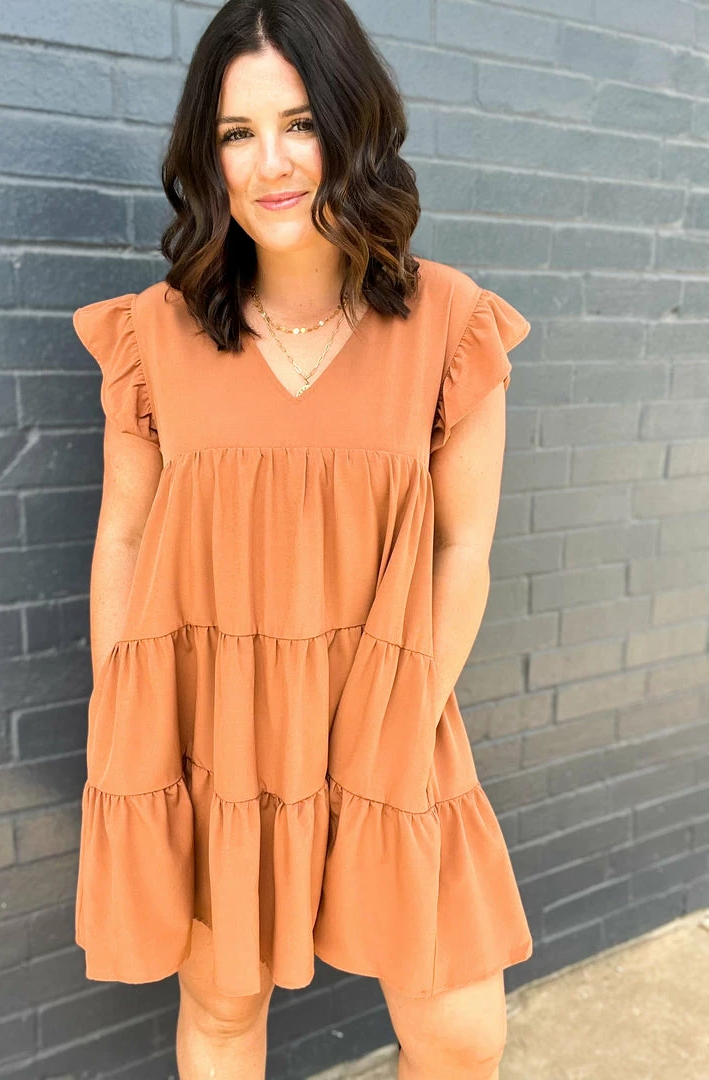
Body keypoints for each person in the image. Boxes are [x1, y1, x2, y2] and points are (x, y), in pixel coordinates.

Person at [71, 1, 534, 1077]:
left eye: (301, 124)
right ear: (209, 156)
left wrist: (402, 718)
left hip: (391, 716)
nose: (270, 163)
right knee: (224, 1012)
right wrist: (126, 717)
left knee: (461, 1038)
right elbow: (124, 540)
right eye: (237, 133)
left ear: (352, 127)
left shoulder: (450, 323)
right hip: (216, 733)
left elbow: (463, 548)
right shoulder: (155, 334)